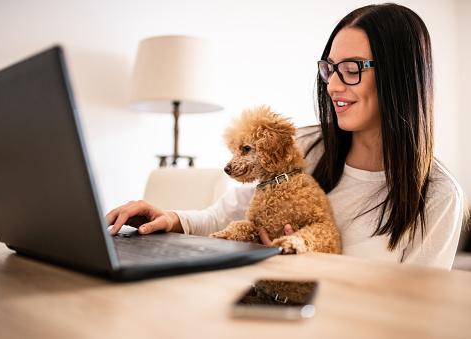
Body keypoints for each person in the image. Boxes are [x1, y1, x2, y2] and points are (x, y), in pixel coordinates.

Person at [106, 3, 464, 270]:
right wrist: (171, 219)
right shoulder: (306, 146)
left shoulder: (438, 196)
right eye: (330, 69)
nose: (334, 85)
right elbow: (230, 212)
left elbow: (412, 314)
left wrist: (300, 267)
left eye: (352, 69)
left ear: (401, 77)